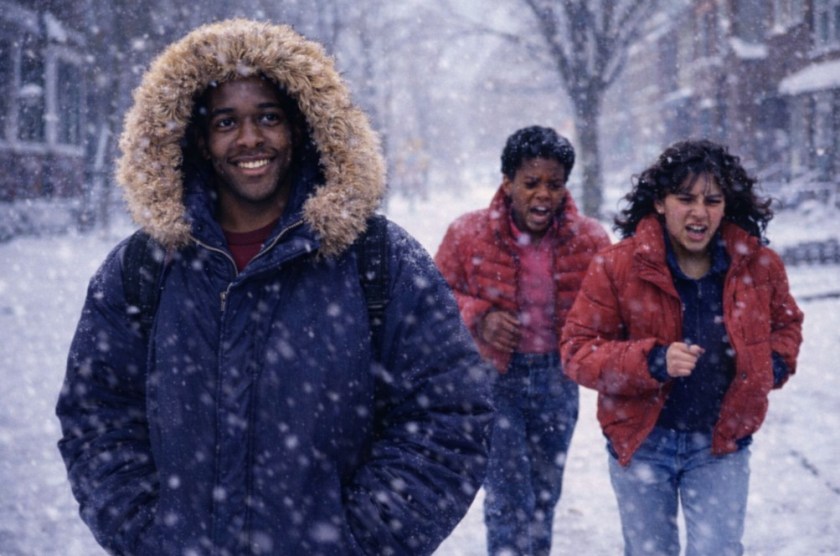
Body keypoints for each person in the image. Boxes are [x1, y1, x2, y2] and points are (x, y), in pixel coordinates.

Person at [55, 19, 494, 556]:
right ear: (198, 137)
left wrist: (360, 538)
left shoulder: (377, 258)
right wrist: (151, 534)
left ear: (303, 126)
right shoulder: (143, 267)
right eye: (226, 122)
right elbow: (96, 416)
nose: (249, 139)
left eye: (268, 117)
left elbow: (450, 415)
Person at [561, 139, 804, 555]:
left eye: (713, 200)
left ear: (727, 205)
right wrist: (652, 360)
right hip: (642, 443)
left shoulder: (758, 265)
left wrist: (767, 368)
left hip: (721, 443)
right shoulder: (618, 265)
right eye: (685, 198)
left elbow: (787, 327)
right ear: (659, 202)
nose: (699, 212)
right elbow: (577, 350)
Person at [434, 126, 610, 556]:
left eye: (554, 184)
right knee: (509, 498)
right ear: (507, 182)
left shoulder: (590, 240)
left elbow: (612, 308)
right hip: (495, 381)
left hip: (557, 381)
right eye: (530, 183)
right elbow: (434, 299)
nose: (543, 195)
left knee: (544, 498)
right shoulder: (468, 234)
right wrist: (479, 317)